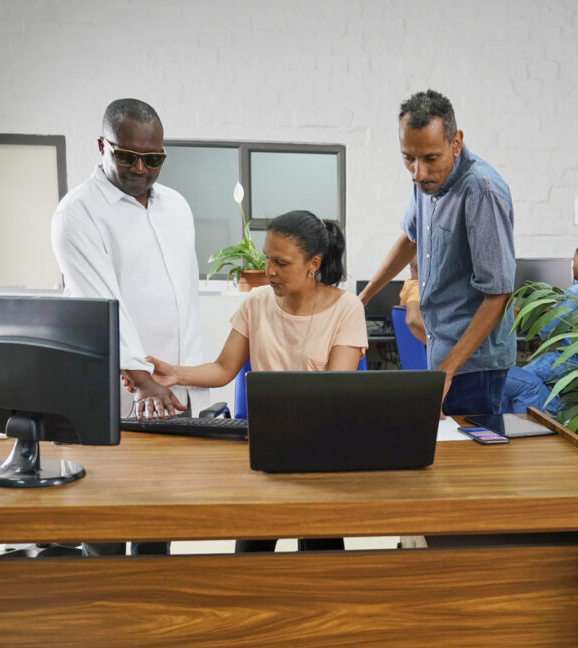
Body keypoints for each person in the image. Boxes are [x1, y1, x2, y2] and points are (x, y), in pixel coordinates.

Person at [142, 209, 368, 553]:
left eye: (281, 262)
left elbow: (334, 391)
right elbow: (223, 368)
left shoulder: (347, 308)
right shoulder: (257, 302)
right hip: (267, 448)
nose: (269, 271)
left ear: (313, 263)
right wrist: (176, 373)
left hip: (319, 449)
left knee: (322, 554)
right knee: (251, 551)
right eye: (267, 258)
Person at [51, 98, 208, 557]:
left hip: (174, 392)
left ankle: (148, 614)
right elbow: (101, 301)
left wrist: (188, 382)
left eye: (153, 158)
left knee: (159, 513)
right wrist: (141, 380)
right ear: (103, 146)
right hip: (118, 392)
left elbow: (184, 299)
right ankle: (105, 616)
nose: (141, 167)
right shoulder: (77, 213)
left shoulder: (176, 205)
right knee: (106, 514)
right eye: (127, 156)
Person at [359, 90, 516, 415]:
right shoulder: (425, 182)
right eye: (408, 157)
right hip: (441, 351)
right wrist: (362, 299)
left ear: (455, 143)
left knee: (477, 463)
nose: (418, 172)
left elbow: (499, 293)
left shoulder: (482, 192)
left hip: (475, 364)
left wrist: (449, 370)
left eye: (430, 158)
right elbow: (411, 238)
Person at [502, 243, 578, 413]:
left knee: (515, 381)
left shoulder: (574, 293)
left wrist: (537, 317)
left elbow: (549, 331)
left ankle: (561, 416)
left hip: (577, 362)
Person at [398, 258, 426, 344]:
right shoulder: (417, 288)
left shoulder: (409, 286)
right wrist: (436, 344)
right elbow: (412, 320)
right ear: (417, 268)